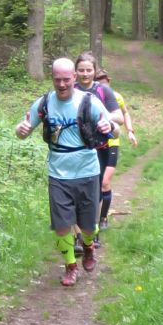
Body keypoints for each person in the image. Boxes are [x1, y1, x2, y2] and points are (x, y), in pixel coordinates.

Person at [15, 56, 114, 286]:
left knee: (88, 227)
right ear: (52, 78)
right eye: (57, 79)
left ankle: (88, 246)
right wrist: (20, 131)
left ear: (74, 77)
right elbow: (23, 129)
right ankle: (70, 266)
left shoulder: (88, 101)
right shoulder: (44, 103)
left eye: (66, 80)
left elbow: (114, 130)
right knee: (61, 227)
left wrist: (109, 126)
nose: (61, 84)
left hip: (88, 172)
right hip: (58, 174)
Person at [74, 53, 138, 229]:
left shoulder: (104, 91)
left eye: (89, 70)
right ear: (75, 72)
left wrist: (103, 118)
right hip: (74, 147)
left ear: (94, 71)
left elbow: (120, 116)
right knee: (76, 191)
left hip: (100, 147)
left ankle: (93, 230)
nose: (85, 74)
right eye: (81, 70)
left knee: (96, 190)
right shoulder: (70, 89)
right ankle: (79, 233)